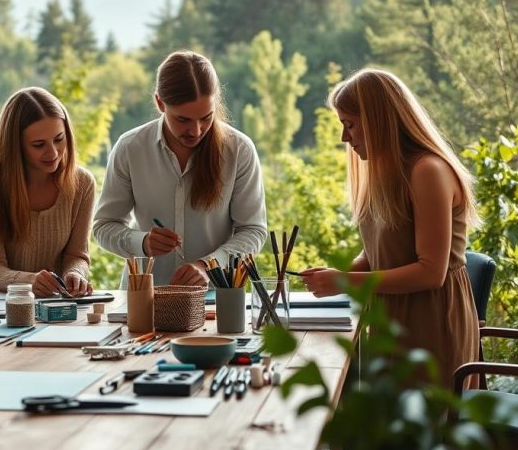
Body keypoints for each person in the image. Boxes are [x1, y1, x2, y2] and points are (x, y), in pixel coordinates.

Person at [301, 68, 480, 388]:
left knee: (416, 428)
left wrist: (345, 282)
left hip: (431, 321)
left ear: (378, 121)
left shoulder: (428, 171)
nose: (345, 138)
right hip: (394, 314)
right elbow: (381, 251)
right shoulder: (388, 175)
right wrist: (333, 275)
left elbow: (430, 272)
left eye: (350, 125)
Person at [94, 50, 267, 287]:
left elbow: (253, 230)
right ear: (159, 103)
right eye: (183, 120)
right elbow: (104, 226)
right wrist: (142, 243)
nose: (196, 131)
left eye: (206, 117)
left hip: (214, 301)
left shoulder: (239, 150)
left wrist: (208, 266)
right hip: (145, 297)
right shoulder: (130, 148)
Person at [0, 87, 95, 297]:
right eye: (38, 145)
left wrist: (75, 273)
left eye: (59, 139)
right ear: (15, 146)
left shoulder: (82, 183)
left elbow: (77, 255)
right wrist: (29, 280)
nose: (53, 153)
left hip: (54, 303)